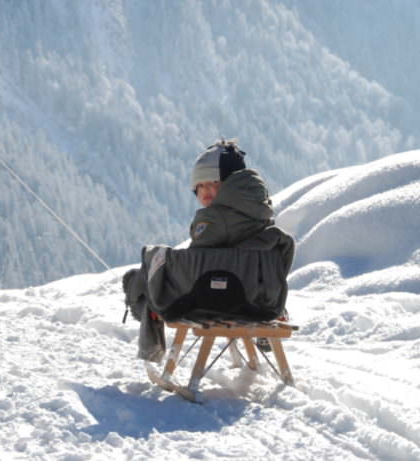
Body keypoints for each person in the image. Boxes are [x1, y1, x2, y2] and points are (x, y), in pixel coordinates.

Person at [123, 139, 294, 361]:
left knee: (139, 278)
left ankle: (151, 342)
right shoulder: (259, 214)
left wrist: (156, 261)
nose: (205, 191)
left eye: (213, 182)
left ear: (230, 184)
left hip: (212, 299)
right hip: (260, 302)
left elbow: (198, 266)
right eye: (200, 185)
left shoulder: (213, 220)